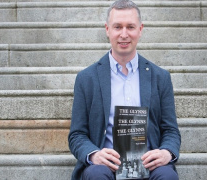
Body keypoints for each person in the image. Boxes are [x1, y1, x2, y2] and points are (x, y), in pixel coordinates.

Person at [68, 0, 181, 179]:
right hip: (106, 167)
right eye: (117, 27)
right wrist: (94, 155)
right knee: (96, 174)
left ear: (140, 29)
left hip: (149, 165)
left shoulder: (160, 77)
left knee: (167, 175)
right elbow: (77, 134)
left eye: (130, 27)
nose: (124, 34)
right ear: (107, 30)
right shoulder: (86, 79)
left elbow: (170, 130)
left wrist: (167, 152)